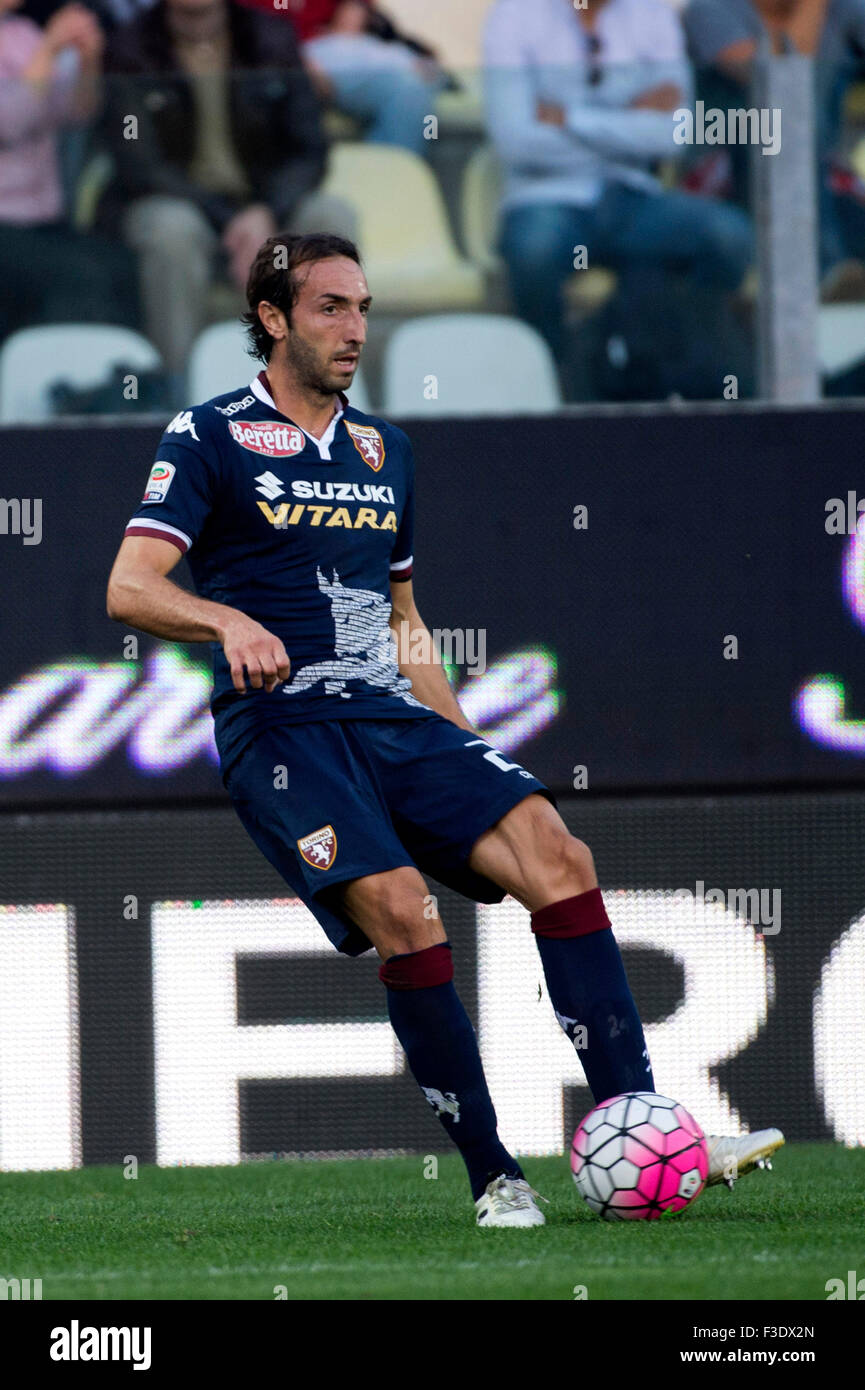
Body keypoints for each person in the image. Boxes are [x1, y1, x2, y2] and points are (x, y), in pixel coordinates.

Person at [106, 232, 784, 1226]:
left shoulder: (387, 451)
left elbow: (403, 619)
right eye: (331, 307)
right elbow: (130, 587)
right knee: (405, 910)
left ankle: (643, 1119)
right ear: (272, 318)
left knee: (558, 849)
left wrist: (469, 744)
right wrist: (226, 619)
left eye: (364, 308)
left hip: (390, 716)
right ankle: (494, 1176)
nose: (354, 330)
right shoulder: (205, 435)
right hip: (282, 732)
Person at [483, 0, 754, 387]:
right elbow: (516, 139)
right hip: (546, 194)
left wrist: (569, 117)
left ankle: (676, 363)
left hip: (634, 196)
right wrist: (629, 118)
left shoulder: (652, 14)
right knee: (533, 251)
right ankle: (557, 381)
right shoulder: (514, 14)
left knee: (728, 237)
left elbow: (673, 134)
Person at [99, 0, 354, 388]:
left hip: (263, 204)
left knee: (331, 218)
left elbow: (310, 150)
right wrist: (232, 219)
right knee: (172, 230)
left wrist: (265, 211)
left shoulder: (271, 38)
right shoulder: (130, 47)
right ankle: (176, 391)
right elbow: (139, 164)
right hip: (177, 202)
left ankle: (322, 382)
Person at [684, 0, 865, 296]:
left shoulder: (844, 9)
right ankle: (825, 272)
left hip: (819, 177)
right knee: (788, 122)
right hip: (727, 176)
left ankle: (832, 282)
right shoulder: (710, 8)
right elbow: (780, 82)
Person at [0, 0, 137, 342]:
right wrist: (49, 49)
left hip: (45, 220)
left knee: (120, 266)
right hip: (5, 223)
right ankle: (65, 385)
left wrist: (88, 59)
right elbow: (9, 123)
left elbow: (75, 113)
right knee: (78, 277)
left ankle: (127, 379)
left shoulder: (22, 33)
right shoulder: (39, 41)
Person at [236, 0, 446, 155]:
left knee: (419, 81)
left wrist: (352, 18)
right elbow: (242, 31)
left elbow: (352, 17)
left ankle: (387, 182)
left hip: (333, 50)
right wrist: (297, 63)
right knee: (412, 80)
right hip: (280, 61)